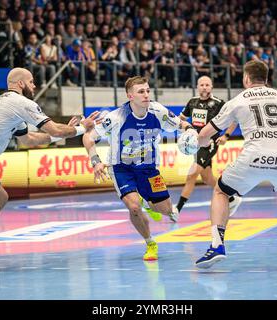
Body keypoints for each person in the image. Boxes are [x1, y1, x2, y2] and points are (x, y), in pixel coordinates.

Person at [0, 68, 100, 276]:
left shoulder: (12, 105)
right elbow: (55, 129)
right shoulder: (21, 103)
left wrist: (63, 132)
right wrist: (82, 128)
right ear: (21, 83)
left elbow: (29, 139)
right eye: (32, 82)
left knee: (1, 198)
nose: (34, 86)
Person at [194, 61, 277, 269]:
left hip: (253, 158)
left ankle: (217, 245)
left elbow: (204, 135)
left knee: (221, 191)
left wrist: (201, 142)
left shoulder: (237, 101)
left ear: (246, 78)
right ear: (266, 78)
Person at [82, 76, 197, 261]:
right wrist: (95, 160)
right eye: (141, 92)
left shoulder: (157, 110)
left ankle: (148, 204)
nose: (146, 95)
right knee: (133, 206)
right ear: (130, 96)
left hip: (149, 169)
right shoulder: (117, 117)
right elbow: (88, 137)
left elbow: (180, 124)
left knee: (167, 211)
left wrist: (190, 129)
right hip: (122, 169)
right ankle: (150, 243)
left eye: (148, 91)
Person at [172, 76, 242, 216]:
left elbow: (234, 120)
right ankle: (232, 198)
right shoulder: (192, 102)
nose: (204, 87)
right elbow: (181, 120)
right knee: (207, 179)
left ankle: (177, 210)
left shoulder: (219, 103)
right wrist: (182, 130)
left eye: (207, 85)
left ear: (211, 87)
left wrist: (225, 136)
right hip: (196, 144)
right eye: (202, 84)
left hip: (210, 143)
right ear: (197, 86)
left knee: (192, 175)